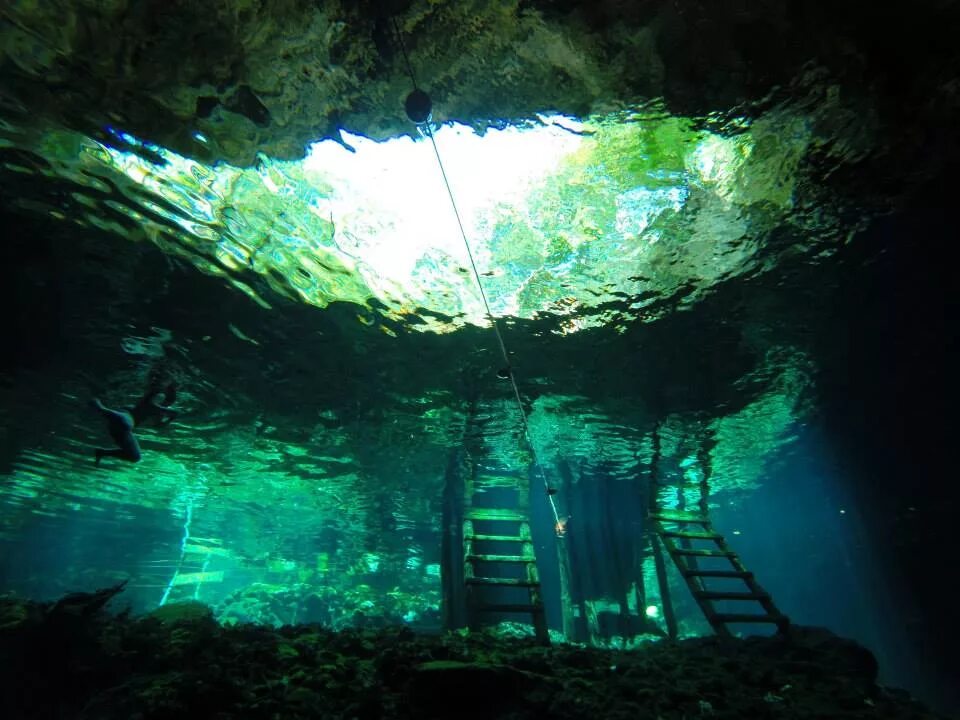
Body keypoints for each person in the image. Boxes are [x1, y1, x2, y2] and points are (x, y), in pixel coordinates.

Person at [91, 382, 178, 465]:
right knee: (125, 422)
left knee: (135, 457)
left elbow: (158, 425)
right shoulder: (157, 398)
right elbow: (151, 404)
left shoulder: (159, 410)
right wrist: (168, 411)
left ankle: (102, 452)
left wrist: (170, 419)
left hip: (122, 429)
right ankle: (102, 408)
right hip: (127, 416)